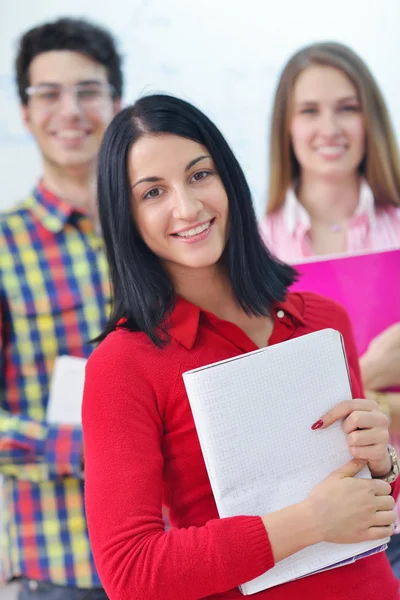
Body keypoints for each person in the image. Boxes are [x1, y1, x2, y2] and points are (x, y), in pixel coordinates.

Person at [82, 93, 400, 600]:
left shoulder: (322, 320)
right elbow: (131, 573)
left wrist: (381, 462)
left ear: (228, 177)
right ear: (127, 217)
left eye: (199, 175)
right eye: (152, 193)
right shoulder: (122, 366)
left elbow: (367, 502)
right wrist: (310, 521)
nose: (186, 206)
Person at [259, 41, 400, 575]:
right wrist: (371, 374)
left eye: (347, 107)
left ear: (371, 119)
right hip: (314, 529)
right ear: (286, 128)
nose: (330, 128)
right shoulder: (252, 247)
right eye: (309, 111)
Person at [0, 17, 122, 599]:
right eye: (48, 93)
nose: (70, 110)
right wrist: (92, 448)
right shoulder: (3, 249)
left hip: (187, 547)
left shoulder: (168, 232)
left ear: (117, 103)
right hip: (64, 564)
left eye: (88, 90)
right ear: (25, 113)